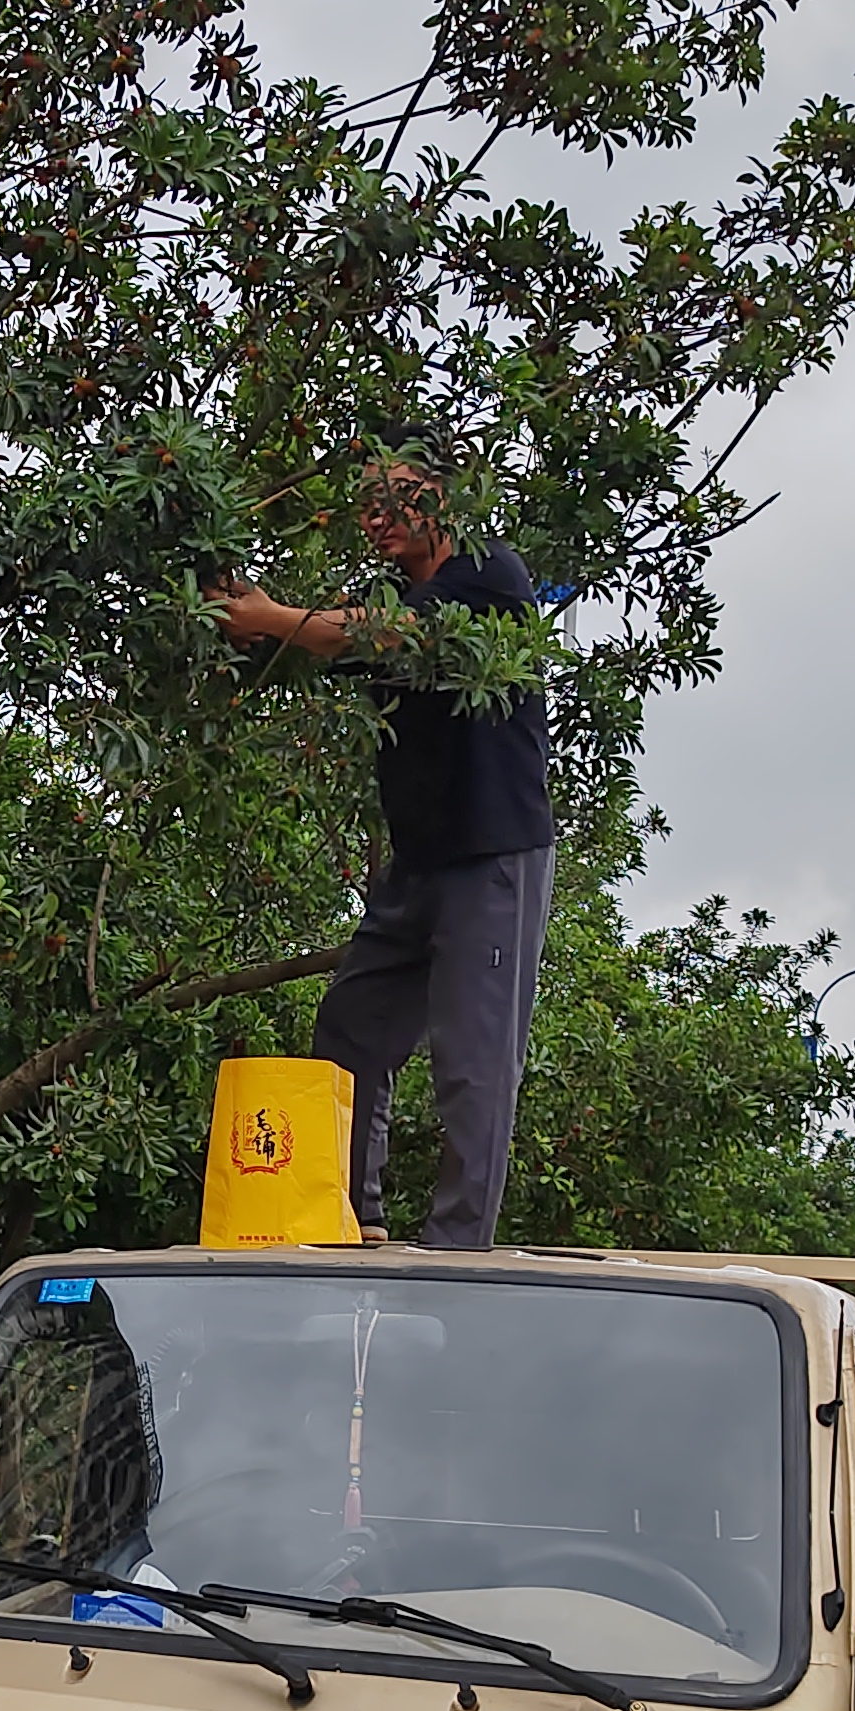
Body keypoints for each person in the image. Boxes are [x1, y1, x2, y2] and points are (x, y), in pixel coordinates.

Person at [219, 441, 557, 1249]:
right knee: (352, 1027)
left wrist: (271, 617)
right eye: (365, 504)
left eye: (394, 499)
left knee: (474, 1061)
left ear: (441, 498)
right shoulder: (384, 598)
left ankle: (456, 1249)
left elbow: (389, 638)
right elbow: (339, 638)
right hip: (420, 862)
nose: (376, 517)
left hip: (492, 854)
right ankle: (345, 1214)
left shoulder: (487, 571)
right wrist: (245, 623)